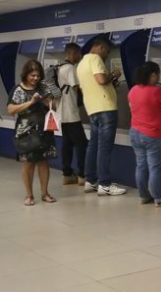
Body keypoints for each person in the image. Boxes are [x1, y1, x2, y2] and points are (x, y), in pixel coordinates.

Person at [77, 35, 126, 196]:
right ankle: (104, 184)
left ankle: (90, 181)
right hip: (106, 108)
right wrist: (113, 74)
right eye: (107, 51)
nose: (106, 55)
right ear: (101, 47)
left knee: (93, 146)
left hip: (93, 109)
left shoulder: (81, 63)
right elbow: (101, 79)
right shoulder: (95, 59)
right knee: (104, 147)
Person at [8, 60, 57, 206]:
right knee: (28, 164)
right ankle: (29, 195)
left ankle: (45, 193)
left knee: (43, 162)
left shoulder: (44, 88)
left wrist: (48, 103)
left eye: (38, 75)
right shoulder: (18, 89)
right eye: (32, 75)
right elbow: (11, 110)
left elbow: (54, 106)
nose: (35, 78)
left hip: (44, 130)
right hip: (25, 132)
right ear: (26, 74)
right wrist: (31, 102)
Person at [128, 61, 161, 207]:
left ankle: (144, 196)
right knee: (154, 167)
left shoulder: (133, 90)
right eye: (158, 74)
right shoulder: (157, 91)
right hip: (153, 134)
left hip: (135, 132)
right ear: (152, 75)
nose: (159, 77)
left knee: (141, 165)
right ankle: (159, 199)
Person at [57, 42, 87, 187]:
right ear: (72, 53)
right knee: (82, 144)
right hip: (71, 113)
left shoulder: (60, 67)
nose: (80, 57)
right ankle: (82, 175)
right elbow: (79, 87)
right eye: (79, 54)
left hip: (62, 113)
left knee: (67, 144)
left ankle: (67, 174)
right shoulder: (70, 68)